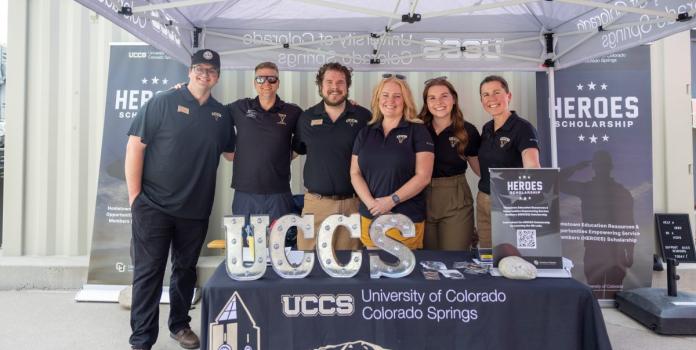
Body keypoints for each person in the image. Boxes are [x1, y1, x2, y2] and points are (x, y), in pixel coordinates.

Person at [125, 49, 234, 350]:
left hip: (196, 210)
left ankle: (179, 325)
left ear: (218, 77)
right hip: (153, 207)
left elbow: (232, 152)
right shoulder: (163, 102)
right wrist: (135, 198)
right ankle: (142, 340)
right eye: (199, 68)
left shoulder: (221, 114)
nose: (204, 74)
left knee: (185, 271)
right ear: (189, 71)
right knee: (149, 273)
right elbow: (136, 146)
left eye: (211, 70)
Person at [350, 74, 434, 249]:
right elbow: (355, 173)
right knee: (373, 272)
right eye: (385, 95)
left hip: (405, 219)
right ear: (377, 98)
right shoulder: (365, 132)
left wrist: (391, 201)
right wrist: (372, 204)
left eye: (397, 96)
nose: (390, 100)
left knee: (405, 275)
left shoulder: (418, 131)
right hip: (370, 217)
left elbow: (423, 176)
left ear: (405, 100)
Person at [293, 62, 370, 250]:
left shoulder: (363, 117)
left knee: (347, 267)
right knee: (309, 263)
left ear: (347, 86)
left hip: (352, 204)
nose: (334, 87)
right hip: (315, 205)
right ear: (320, 85)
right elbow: (295, 151)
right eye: (329, 82)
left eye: (340, 82)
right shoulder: (307, 118)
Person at [227, 62, 302, 229]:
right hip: (245, 193)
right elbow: (213, 116)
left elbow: (304, 139)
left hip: (279, 193)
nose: (266, 84)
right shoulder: (239, 107)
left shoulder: (292, 112)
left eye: (271, 79)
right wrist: (227, 151)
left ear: (278, 83)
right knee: (247, 246)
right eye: (260, 79)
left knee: (279, 247)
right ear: (254, 83)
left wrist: (346, 105)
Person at [560, 150, 635, 299]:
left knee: (601, 296)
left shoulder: (589, 189)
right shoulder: (620, 192)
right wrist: (630, 252)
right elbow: (629, 225)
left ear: (594, 167)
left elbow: (629, 224)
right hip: (607, 249)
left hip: (605, 250)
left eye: (600, 165)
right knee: (608, 296)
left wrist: (576, 168)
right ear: (610, 167)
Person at [477, 75, 540, 249]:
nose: (491, 99)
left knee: (510, 255)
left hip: (509, 202)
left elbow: (532, 165)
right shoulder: (487, 128)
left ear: (508, 96)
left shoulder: (523, 128)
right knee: (488, 253)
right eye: (486, 94)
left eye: (497, 92)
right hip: (483, 199)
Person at [418, 77, 481, 251]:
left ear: (453, 99)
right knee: (426, 260)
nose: (438, 102)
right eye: (432, 98)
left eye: (444, 96)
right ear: (426, 102)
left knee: (455, 258)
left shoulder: (467, 130)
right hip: (419, 197)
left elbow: (480, 169)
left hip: (456, 199)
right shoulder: (415, 128)